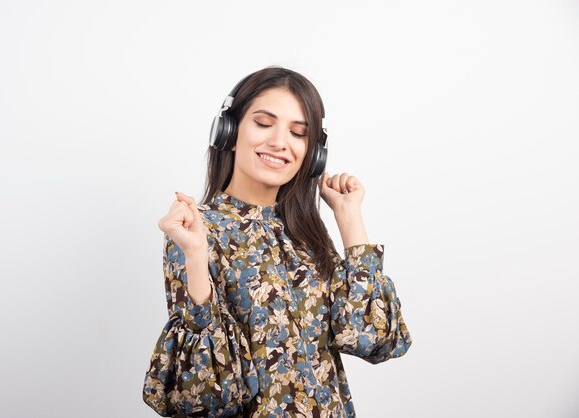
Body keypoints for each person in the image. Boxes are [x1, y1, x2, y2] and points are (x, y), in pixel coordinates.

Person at [142, 66, 413, 417]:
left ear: (313, 153)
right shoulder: (195, 230)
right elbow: (201, 395)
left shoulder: (308, 236)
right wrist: (195, 255)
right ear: (229, 132)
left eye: (298, 133)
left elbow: (373, 340)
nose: (279, 142)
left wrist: (349, 220)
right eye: (264, 123)